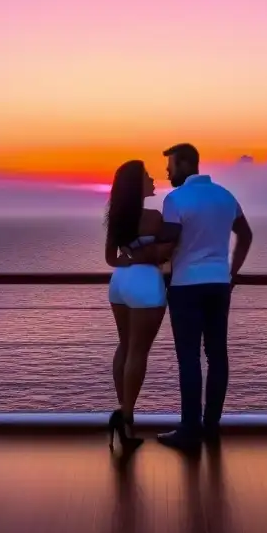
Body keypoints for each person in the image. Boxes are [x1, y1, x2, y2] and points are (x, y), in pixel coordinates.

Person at [124, 143, 253, 453]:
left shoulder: (176, 199)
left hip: (185, 286)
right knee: (217, 355)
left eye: (170, 165)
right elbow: (246, 234)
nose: (167, 172)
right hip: (219, 285)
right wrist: (232, 272)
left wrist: (133, 252)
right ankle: (212, 426)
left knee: (189, 358)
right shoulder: (225, 196)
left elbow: (167, 245)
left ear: (184, 164)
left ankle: (190, 429)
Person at [104, 160, 172, 456]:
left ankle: (123, 411)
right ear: (137, 185)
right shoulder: (155, 217)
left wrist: (130, 259)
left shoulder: (117, 217)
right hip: (146, 286)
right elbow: (166, 253)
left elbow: (111, 258)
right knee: (138, 352)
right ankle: (126, 417)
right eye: (147, 176)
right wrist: (148, 258)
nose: (153, 178)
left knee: (124, 346)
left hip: (119, 284)